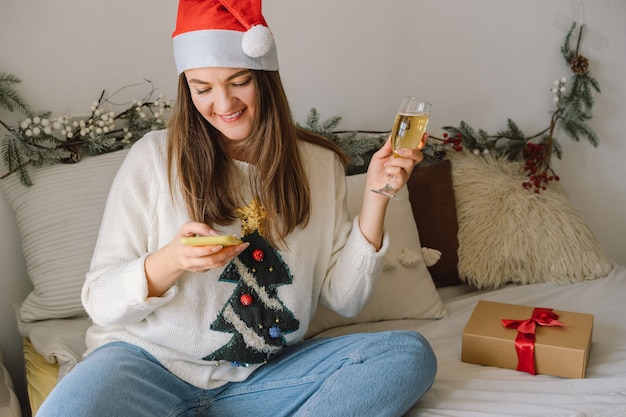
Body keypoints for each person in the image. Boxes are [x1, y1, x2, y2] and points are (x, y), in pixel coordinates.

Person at [37, 1, 436, 416]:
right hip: (146, 368)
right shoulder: (154, 158)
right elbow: (100, 301)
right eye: (202, 88)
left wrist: (376, 196)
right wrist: (171, 261)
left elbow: (345, 299)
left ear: (265, 80)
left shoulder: (319, 165)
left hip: (264, 378)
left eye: (239, 81)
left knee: (406, 355)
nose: (222, 103)